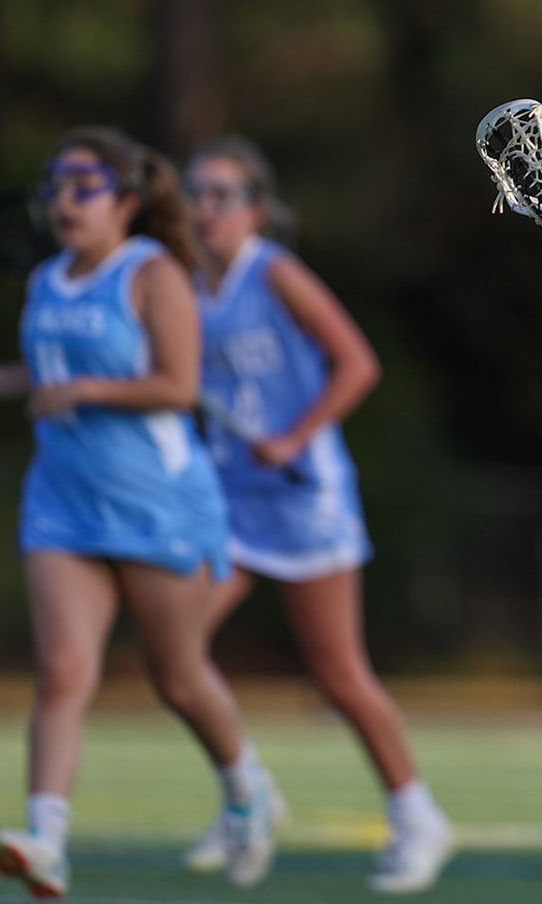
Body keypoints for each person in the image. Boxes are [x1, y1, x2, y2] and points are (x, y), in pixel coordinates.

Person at [0, 127, 277, 898]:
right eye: (56, 184)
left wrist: (86, 393)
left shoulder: (153, 273)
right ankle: (46, 839)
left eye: (84, 185)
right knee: (62, 672)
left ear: (126, 200)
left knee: (179, 677)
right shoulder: (47, 280)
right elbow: (48, 372)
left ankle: (246, 791)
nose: (65, 201)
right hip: (63, 502)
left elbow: (178, 385)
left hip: (158, 502)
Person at [183, 136, 455, 894]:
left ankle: (417, 815)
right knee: (178, 652)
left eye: (222, 195)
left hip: (305, 496)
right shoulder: (182, 283)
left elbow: (357, 363)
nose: (206, 210)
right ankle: (247, 794)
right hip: (230, 499)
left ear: (256, 209)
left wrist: (295, 435)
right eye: (196, 194)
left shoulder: (274, 272)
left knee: (338, 674)